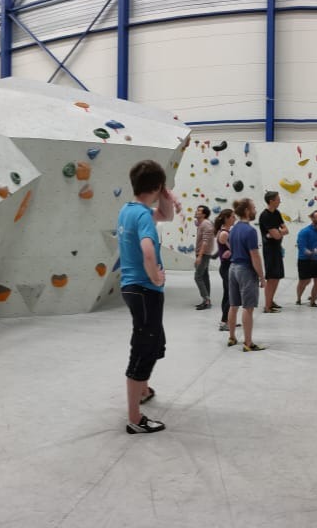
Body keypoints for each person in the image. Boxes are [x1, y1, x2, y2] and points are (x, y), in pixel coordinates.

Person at [118, 160, 174, 435]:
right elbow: (148, 250)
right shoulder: (143, 217)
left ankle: (142, 390)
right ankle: (134, 418)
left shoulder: (128, 210)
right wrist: (155, 277)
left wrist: (166, 195)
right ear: (157, 185)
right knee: (143, 348)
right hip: (144, 290)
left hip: (133, 288)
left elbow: (167, 215)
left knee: (155, 342)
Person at [224, 198, 267, 352]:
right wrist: (261, 276)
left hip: (233, 269)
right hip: (245, 270)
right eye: (253, 207)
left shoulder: (234, 228)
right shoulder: (250, 231)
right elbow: (254, 255)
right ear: (247, 211)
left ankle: (232, 337)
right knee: (248, 307)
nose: (255, 210)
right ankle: (248, 343)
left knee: (233, 305)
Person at [258, 191, 287, 313]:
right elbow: (277, 235)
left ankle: (270, 301)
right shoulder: (265, 216)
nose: (280, 201)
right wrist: (277, 233)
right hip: (269, 250)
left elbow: (285, 230)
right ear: (271, 201)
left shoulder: (277, 213)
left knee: (277, 276)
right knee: (271, 278)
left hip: (277, 248)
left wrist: (277, 233)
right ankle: (267, 306)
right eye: (278, 199)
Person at [214, 209, 236, 331]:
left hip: (227, 266)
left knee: (227, 294)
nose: (234, 219)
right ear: (227, 218)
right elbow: (234, 250)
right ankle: (224, 322)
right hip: (226, 267)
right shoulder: (224, 234)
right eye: (232, 217)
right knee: (230, 295)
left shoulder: (225, 232)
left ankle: (228, 320)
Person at [192, 205, 215, 310]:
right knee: (204, 276)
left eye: (199, 211)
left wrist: (200, 256)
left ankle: (206, 300)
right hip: (203, 253)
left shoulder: (206, 224)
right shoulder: (203, 223)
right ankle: (207, 299)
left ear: (204, 214)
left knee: (198, 277)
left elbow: (205, 242)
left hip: (204, 254)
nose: (196, 212)